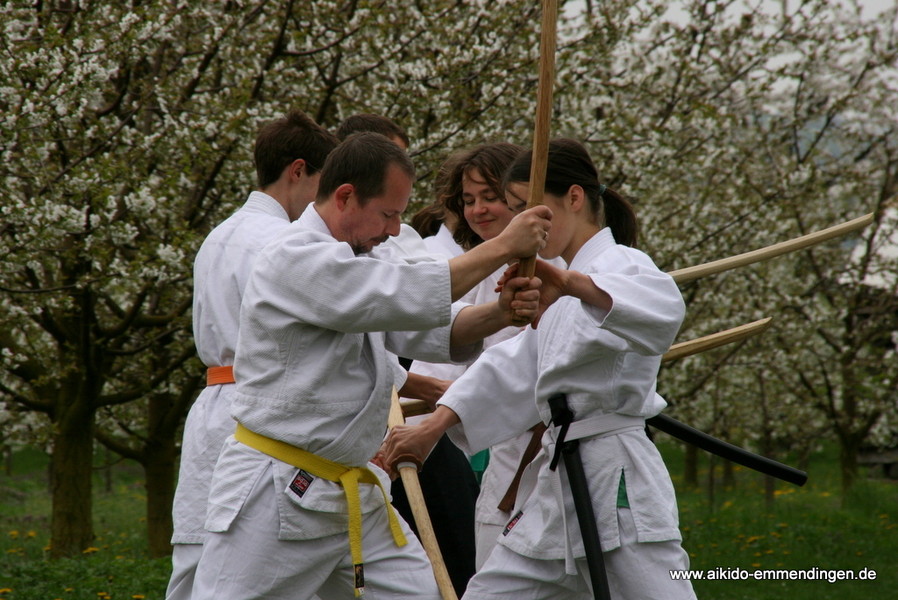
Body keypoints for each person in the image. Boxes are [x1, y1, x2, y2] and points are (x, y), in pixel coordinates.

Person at [190, 132, 552, 600]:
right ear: (345, 197)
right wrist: (504, 245)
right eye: (388, 214)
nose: (396, 229)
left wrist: (500, 313)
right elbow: (399, 293)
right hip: (277, 489)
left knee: (418, 595)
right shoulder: (291, 256)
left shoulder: (360, 261)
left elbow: (431, 327)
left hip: (353, 491)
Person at [382, 138, 697, 599]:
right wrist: (432, 428)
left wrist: (569, 283)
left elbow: (665, 309)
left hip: (616, 481)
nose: (524, 225)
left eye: (528, 209)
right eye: (516, 211)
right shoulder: (567, 286)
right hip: (556, 482)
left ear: (574, 197)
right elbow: (515, 366)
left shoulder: (621, 264)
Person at [165, 109, 338, 600]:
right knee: (251, 568)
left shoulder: (219, 235)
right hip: (261, 412)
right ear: (298, 171)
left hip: (214, 408)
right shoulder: (285, 241)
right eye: (322, 184)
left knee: (198, 560)